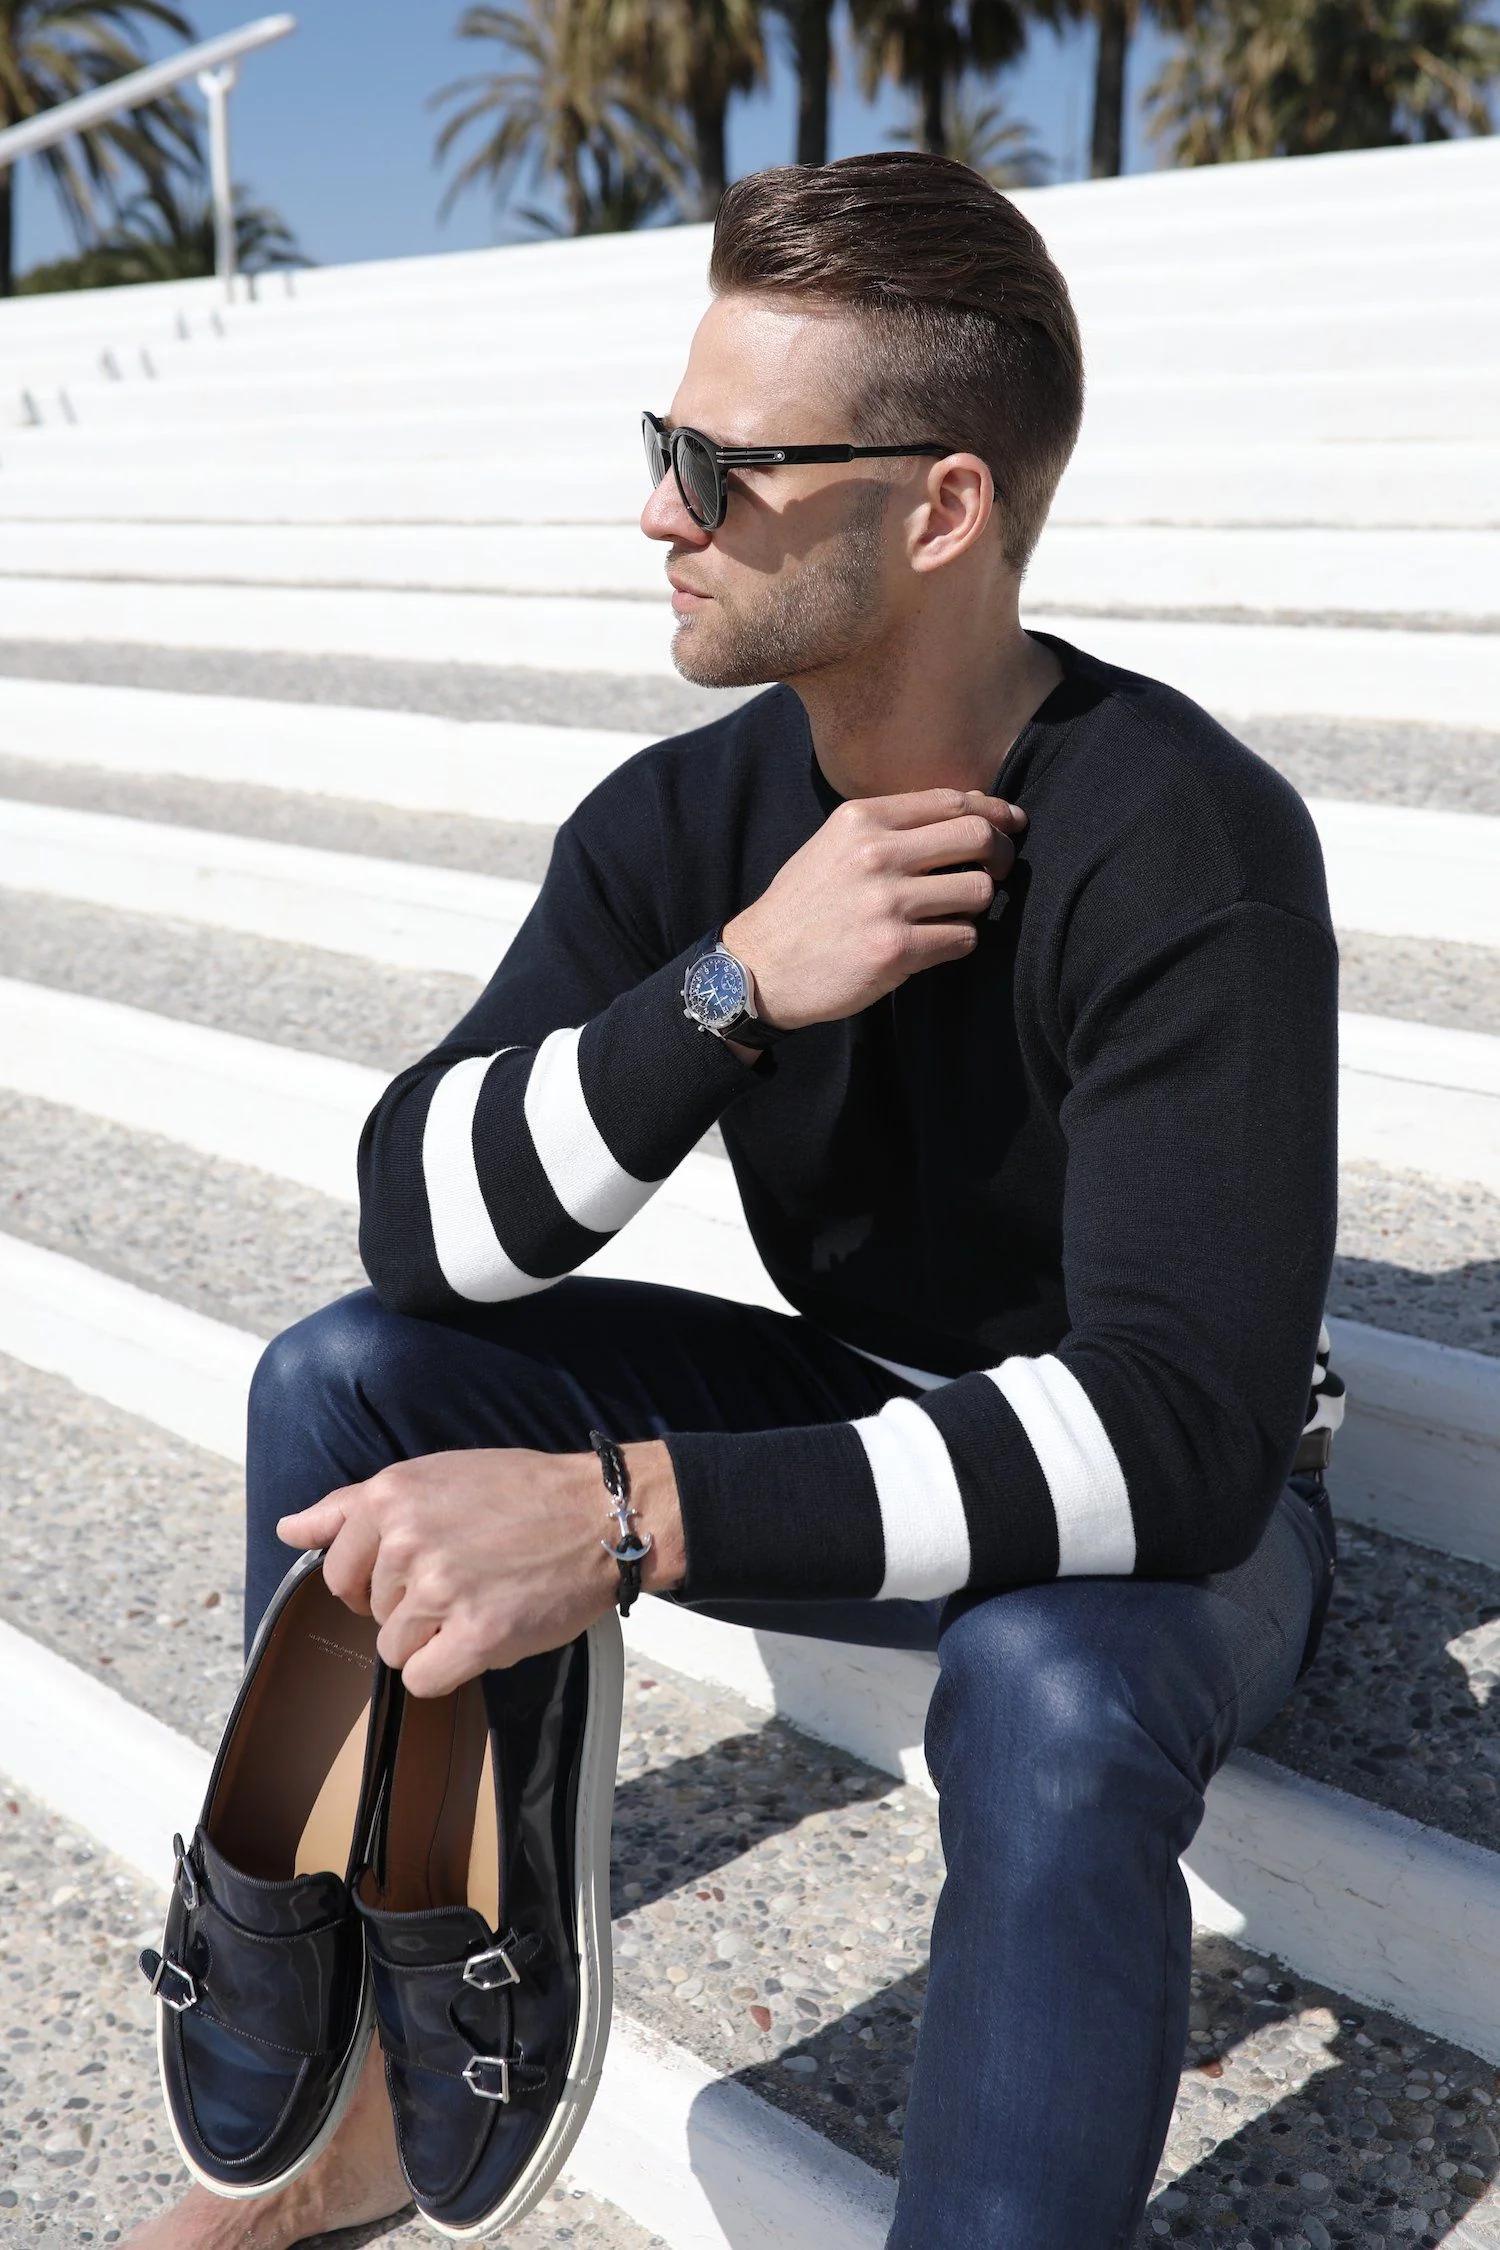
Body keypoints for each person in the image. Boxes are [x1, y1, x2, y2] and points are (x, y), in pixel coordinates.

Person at [124, 148, 1340, 2248]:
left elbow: (1181, 1436)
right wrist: (731, 991)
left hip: (1172, 1519)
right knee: (348, 1379)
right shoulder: (691, 819)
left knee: (1049, 1687)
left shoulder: (1184, 837)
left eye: (725, 466)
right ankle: (375, 2099)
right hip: (859, 1399)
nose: (661, 512)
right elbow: (421, 1219)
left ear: (939, 509)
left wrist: (626, 1516)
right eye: (661, 444)